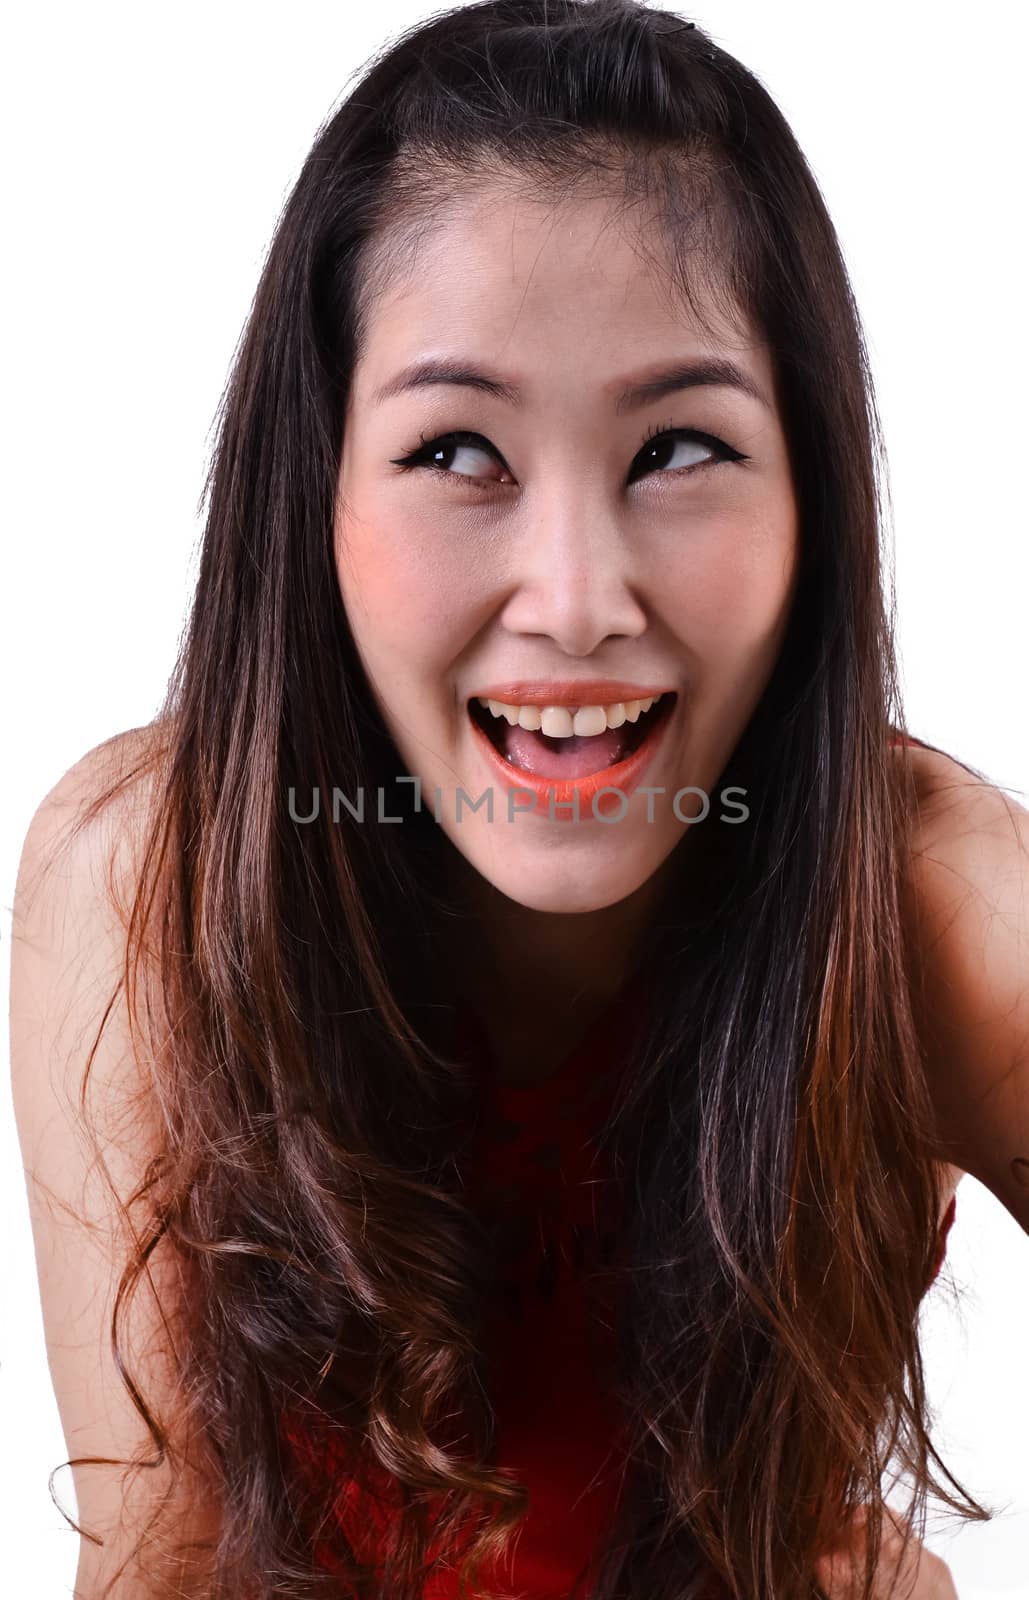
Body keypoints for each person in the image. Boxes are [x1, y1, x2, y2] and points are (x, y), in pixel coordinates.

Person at [10, 2, 1028, 1597]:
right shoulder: (144, 881)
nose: (572, 598)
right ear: (318, 497)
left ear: (811, 504)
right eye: (456, 452)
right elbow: (161, 1567)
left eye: (679, 446)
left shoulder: (937, 907)